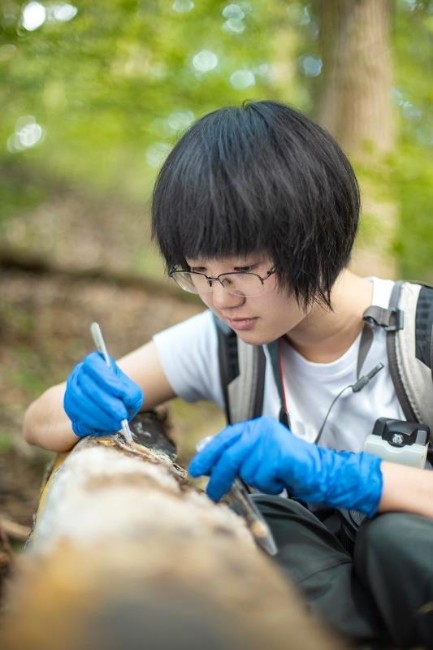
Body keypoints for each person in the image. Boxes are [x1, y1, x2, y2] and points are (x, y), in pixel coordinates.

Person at [23, 100, 433, 648]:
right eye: (198, 273)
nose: (221, 297)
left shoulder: (420, 335)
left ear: (315, 238)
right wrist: (78, 404)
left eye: (242, 270)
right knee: (261, 516)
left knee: (398, 537)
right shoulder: (225, 341)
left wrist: (352, 476)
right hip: (322, 613)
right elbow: (39, 421)